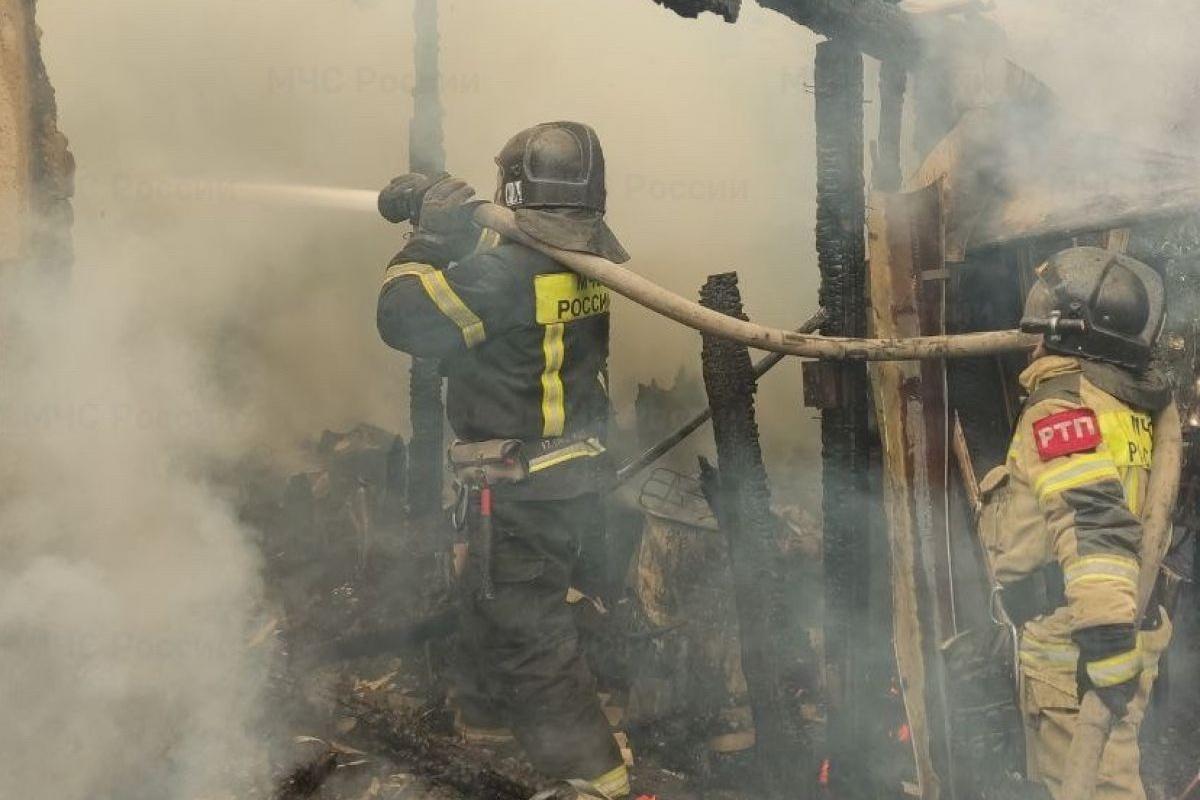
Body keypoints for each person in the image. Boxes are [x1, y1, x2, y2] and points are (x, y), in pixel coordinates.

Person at [375, 121, 630, 798]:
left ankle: (596, 778)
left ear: (515, 187)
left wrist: (428, 241)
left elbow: (405, 318)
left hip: (528, 484)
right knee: (492, 600)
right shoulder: (586, 255)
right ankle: (489, 718)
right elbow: (505, 295)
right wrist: (460, 233)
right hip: (567, 471)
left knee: (530, 631)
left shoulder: (509, 270)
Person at [978, 246, 1174, 799]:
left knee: (1098, 788)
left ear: (1067, 335)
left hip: (1076, 646)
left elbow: (1093, 525)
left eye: (1042, 330)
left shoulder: (1062, 408)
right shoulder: (1130, 404)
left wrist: (1107, 648)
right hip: (1101, 626)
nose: (1033, 341)